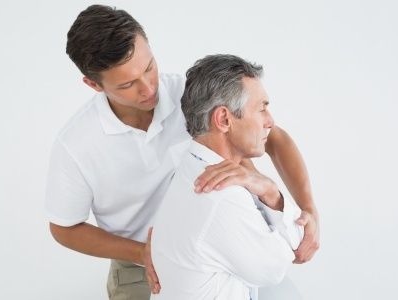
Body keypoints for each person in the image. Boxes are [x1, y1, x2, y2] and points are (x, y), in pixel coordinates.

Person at [45, 4, 319, 299]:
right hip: (138, 260)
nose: (148, 88)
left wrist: (308, 209)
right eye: (127, 84)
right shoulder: (75, 145)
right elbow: (64, 228)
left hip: (219, 245)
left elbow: (272, 137)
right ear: (93, 84)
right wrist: (145, 252)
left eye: (149, 67)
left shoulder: (187, 95)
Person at [151, 54, 303, 300]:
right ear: (223, 119)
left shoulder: (190, 169)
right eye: (262, 108)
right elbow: (281, 263)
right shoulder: (220, 195)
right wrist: (270, 190)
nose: (270, 121)